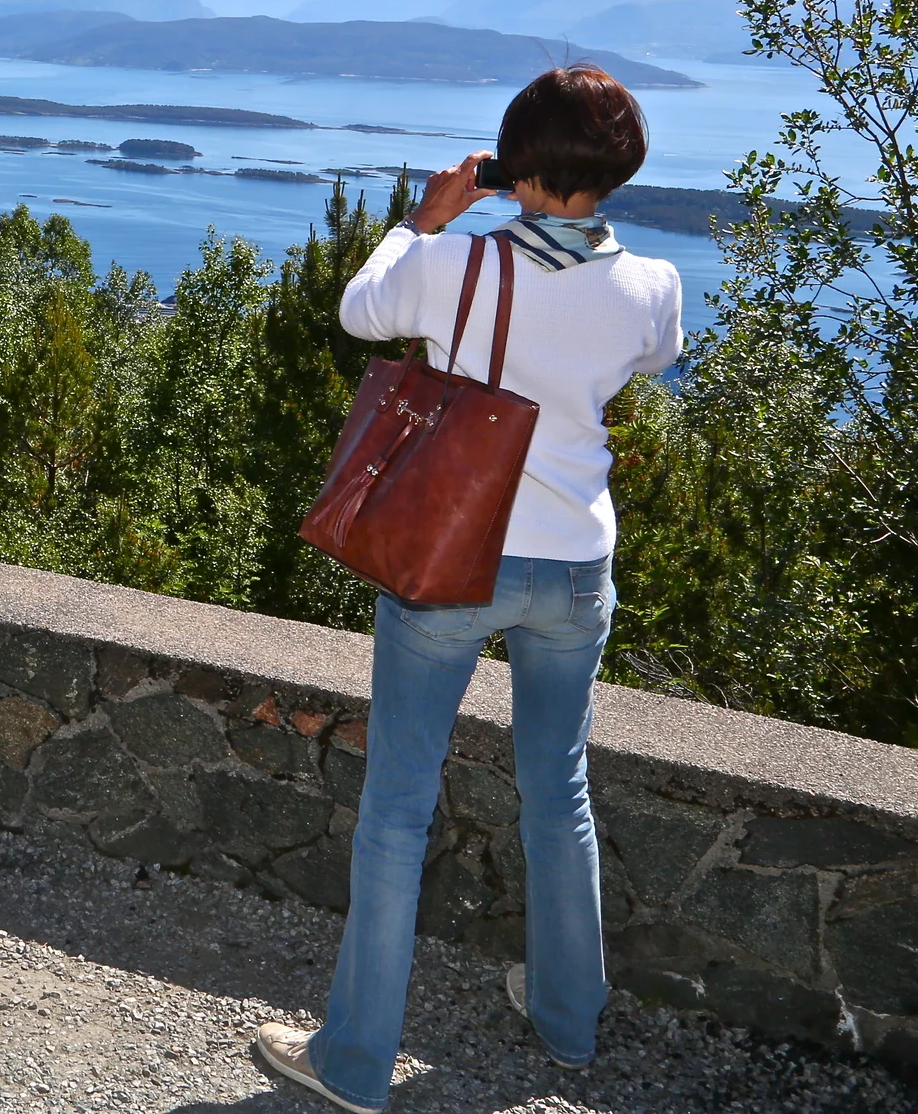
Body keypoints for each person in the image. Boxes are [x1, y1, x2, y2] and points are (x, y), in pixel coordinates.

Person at [252, 64, 683, 1113]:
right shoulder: (653, 284)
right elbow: (642, 363)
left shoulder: (453, 264)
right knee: (559, 786)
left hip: (455, 557)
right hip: (575, 567)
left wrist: (421, 220)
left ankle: (354, 1061)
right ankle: (567, 1017)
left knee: (397, 805)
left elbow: (360, 313)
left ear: (516, 165)